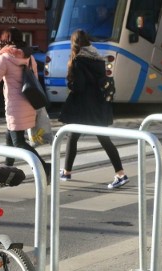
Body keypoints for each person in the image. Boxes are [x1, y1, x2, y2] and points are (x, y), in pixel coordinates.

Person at [0, 27, 50, 180]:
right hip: (28, 103)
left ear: (6, 40)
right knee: (9, 138)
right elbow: (35, 81)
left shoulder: (5, 58)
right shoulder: (29, 57)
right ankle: (7, 171)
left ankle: (43, 166)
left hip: (15, 106)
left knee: (19, 142)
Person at [58, 29, 128, 189]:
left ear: (75, 44)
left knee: (74, 136)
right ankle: (67, 171)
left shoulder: (78, 61)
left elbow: (79, 87)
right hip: (99, 105)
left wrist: (70, 83)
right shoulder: (98, 58)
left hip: (83, 107)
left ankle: (121, 174)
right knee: (99, 138)